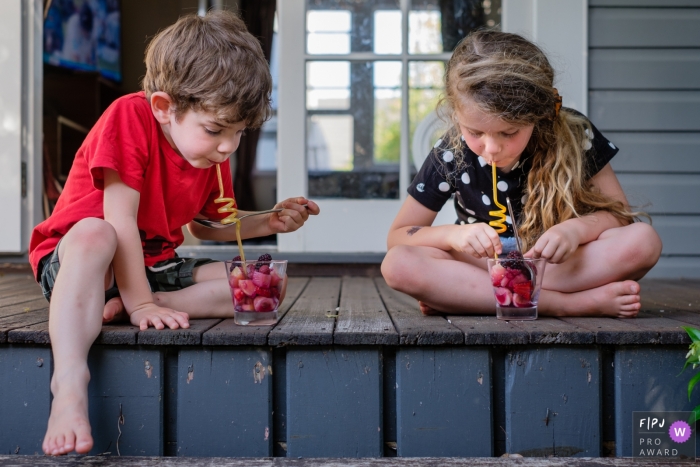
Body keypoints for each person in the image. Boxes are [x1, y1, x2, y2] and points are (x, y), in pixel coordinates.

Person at [29, 11, 319, 456]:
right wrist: (140, 299)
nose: (228, 147)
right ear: (165, 107)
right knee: (96, 234)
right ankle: (69, 382)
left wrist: (268, 222)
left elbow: (205, 225)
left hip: (155, 265)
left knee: (258, 289)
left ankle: (130, 307)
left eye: (239, 133)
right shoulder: (129, 117)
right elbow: (119, 219)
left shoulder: (208, 154)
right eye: (216, 130)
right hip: (84, 263)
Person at [381, 30, 661, 318]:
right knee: (398, 264)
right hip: (483, 267)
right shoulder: (450, 153)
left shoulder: (576, 135)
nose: (490, 148)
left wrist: (574, 231)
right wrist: (455, 235)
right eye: (475, 132)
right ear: (456, 115)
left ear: (537, 115)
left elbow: (621, 217)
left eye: (509, 132)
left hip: (555, 267)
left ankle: (465, 297)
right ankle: (567, 304)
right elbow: (398, 237)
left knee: (643, 240)